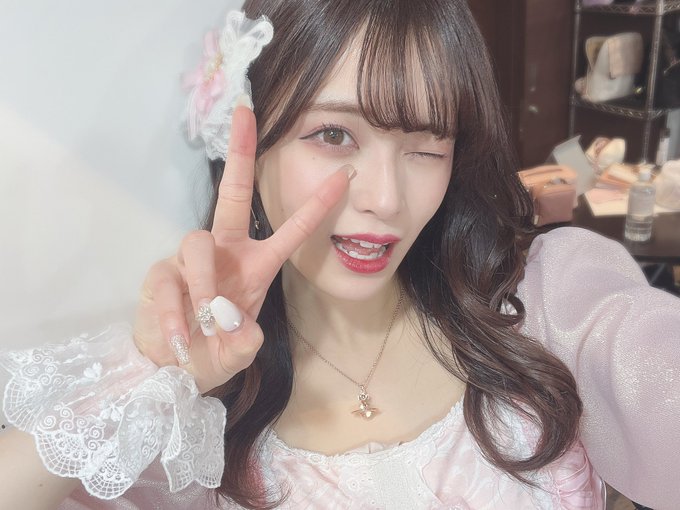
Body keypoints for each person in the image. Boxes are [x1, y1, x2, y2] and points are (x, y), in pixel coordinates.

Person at [1, 1, 678, 508]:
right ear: (249, 139)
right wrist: (150, 376)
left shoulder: (548, 301)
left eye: (426, 145)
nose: (386, 198)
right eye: (333, 134)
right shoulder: (182, 423)